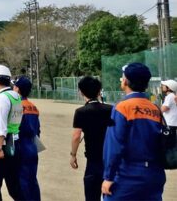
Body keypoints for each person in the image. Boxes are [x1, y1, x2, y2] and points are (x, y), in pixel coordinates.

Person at [102, 63, 166, 200]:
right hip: (154, 175)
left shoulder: (122, 107)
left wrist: (108, 177)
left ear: (125, 81)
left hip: (128, 175)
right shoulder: (155, 109)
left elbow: (114, 146)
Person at [70, 76, 113, 201]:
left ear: (81, 92)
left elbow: (76, 135)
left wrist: (73, 155)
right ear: (99, 92)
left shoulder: (81, 111)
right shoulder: (111, 109)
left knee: (91, 196)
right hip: (110, 158)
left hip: (93, 160)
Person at [0, 64, 23, 201]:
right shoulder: (14, 95)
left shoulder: (1, 99)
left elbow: (1, 127)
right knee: (14, 186)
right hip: (14, 143)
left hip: (3, 147)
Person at [13, 76, 40, 201]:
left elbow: (13, 129)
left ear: (17, 89)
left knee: (22, 181)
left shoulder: (17, 106)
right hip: (32, 147)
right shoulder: (33, 107)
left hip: (21, 148)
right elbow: (38, 131)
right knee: (32, 180)